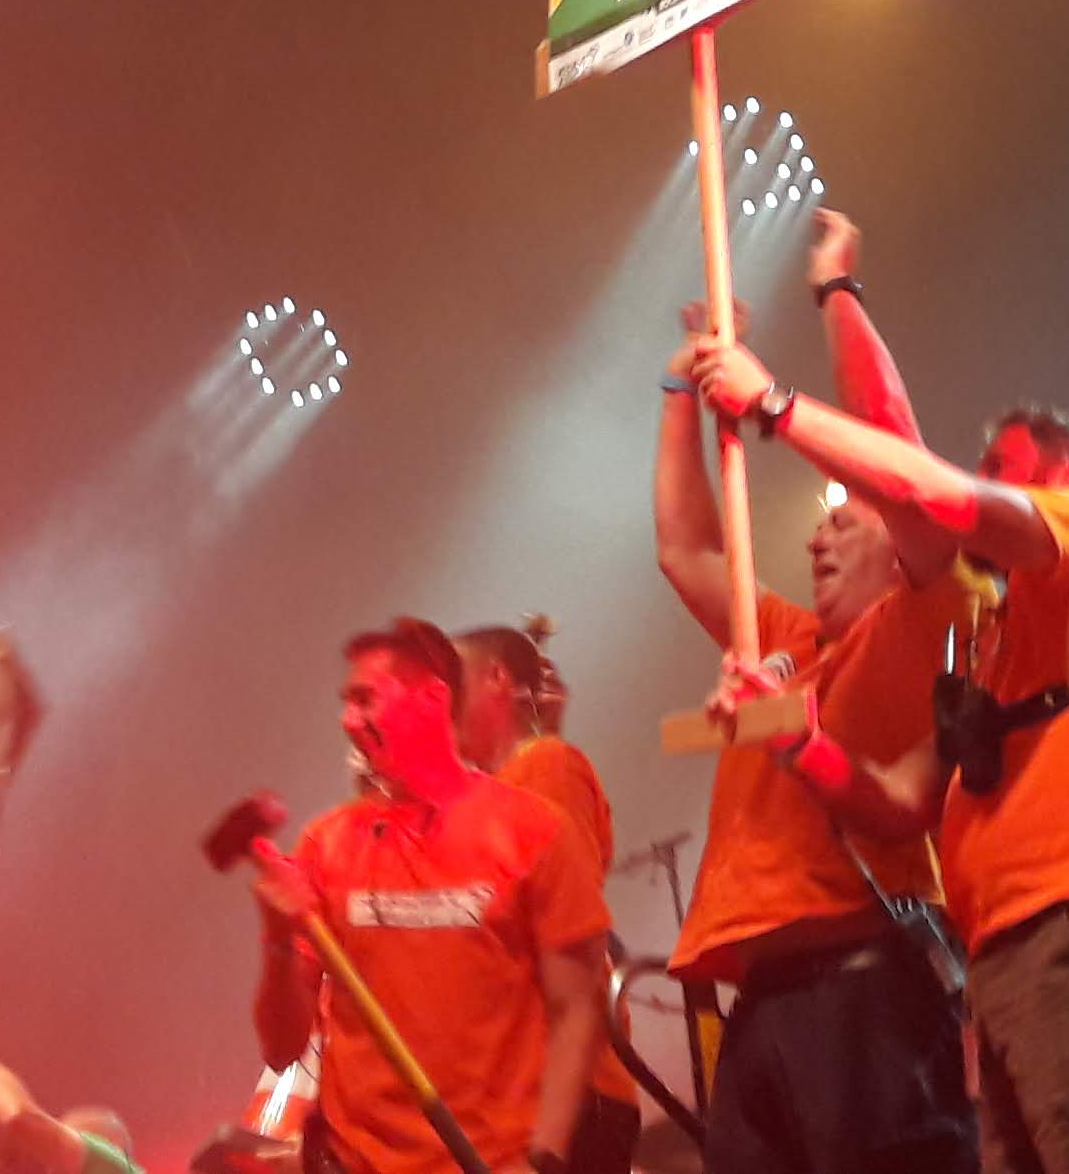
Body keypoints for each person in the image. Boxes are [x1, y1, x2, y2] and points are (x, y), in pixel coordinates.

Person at [676, 270, 1069, 1174]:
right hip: (1006, 946)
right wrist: (800, 744)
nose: (971, 477)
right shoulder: (990, 635)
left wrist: (776, 399)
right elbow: (901, 799)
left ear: (1066, 475)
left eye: (998, 466)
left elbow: (920, 481)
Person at [649, 241, 978, 1174]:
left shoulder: (919, 623)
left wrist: (799, 356)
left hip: (865, 984)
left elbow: (902, 464)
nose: (818, 536)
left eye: (845, 518)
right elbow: (688, 553)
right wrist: (679, 392)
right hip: (764, 996)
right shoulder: (790, 641)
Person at [244, 618, 613, 1174]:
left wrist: (544, 1157)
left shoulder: (534, 830)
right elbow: (280, 1049)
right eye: (345, 703)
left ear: (433, 698)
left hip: (493, 1164)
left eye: (365, 699)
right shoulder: (326, 844)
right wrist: (277, 938)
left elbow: (578, 1009)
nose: (348, 720)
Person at [452, 622, 646, 1174]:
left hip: (568, 1093)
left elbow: (567, 912)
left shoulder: (546, 765)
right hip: (528, 1093)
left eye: (452, 682)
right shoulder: (510, 782)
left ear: (495, 678)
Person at [0, 998, 144, 1174]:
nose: (52, 1163)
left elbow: (21, 1117)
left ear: (113, 1150)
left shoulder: (118, 1168)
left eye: (66, 1143)